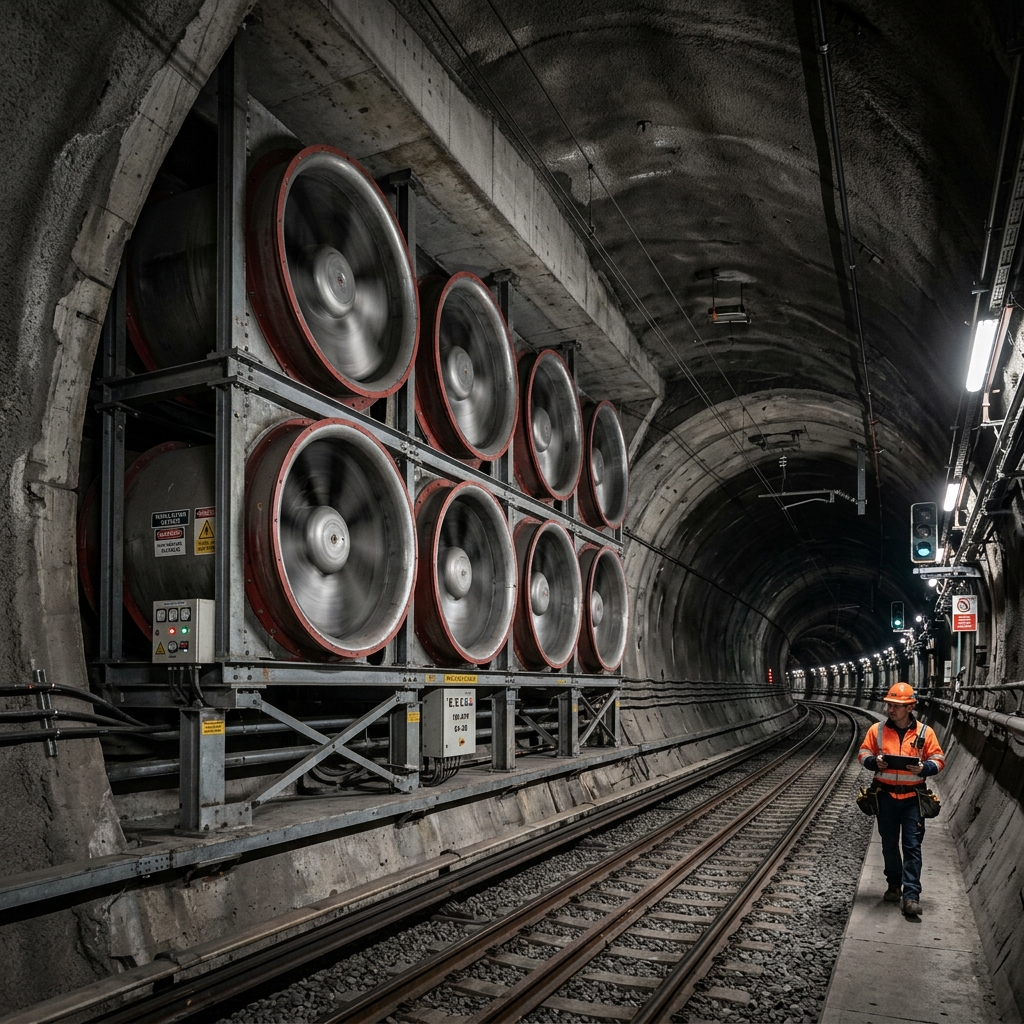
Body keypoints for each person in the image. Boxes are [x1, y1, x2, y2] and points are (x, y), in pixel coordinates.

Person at [857, 682, 945, 916]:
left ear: (910, 707)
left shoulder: (925, 733)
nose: (891, 710)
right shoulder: (877, 730)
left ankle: (911, 895)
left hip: (912, 800)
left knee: (912, 846)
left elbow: (938, 758)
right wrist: (874, 762)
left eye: (897, 706)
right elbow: (863, 752)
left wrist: (924, 768)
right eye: (889, 705)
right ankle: (894, 885)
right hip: (885, 796)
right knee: (888, 844)